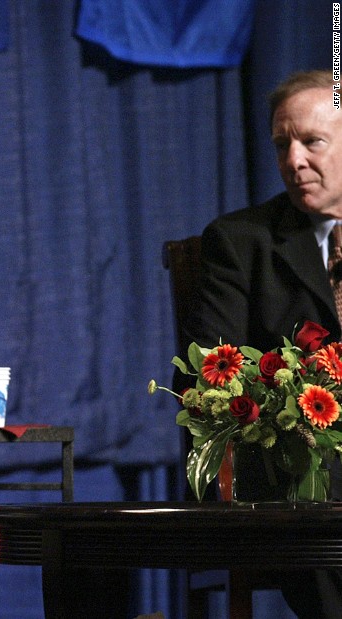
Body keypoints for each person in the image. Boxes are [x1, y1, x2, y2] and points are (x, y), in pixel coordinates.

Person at [188, 69, 342, 618]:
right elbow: (210, 374)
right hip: (298, 461)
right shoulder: (240, 242)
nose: (294, 160)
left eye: (312, 142)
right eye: (283, 145)